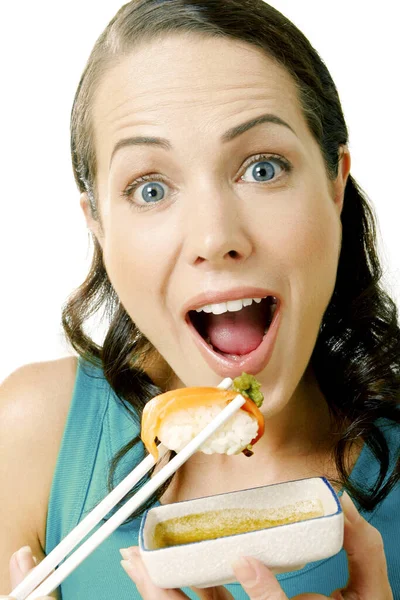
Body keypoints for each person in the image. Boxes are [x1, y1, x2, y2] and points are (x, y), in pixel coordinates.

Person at [0, 0, 399, 598]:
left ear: (335, 184)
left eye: (263, 169)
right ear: (99, 227)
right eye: (151, 187)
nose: (216, 238)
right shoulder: (34, 435)